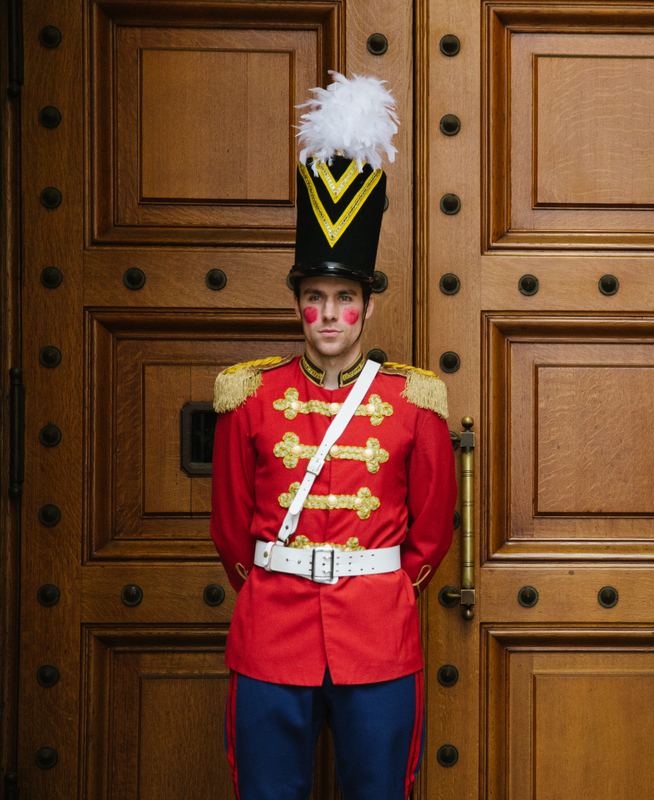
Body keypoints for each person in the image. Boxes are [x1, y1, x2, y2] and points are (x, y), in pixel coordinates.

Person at [209, 72, 456, 800]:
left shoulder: (415, 400)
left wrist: (369, 588)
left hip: (377, 637)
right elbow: (230, 531)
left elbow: (430, 535)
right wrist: (283, 578)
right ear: (296, 305)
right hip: (270, 633)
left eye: (344, 300)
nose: (327, 315)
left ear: (366, 309)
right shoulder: (249, 396)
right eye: (314, 299)